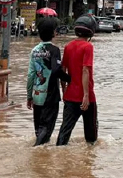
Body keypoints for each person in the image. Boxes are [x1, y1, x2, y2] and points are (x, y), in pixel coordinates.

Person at [56, 15, 98, 146]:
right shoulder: (88, 47)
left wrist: (64, 90)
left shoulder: (68, 46)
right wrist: (86, 95)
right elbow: (85, 70)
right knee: (91, 136)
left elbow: (63, 69)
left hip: (70, 95)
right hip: (87, 96)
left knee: (64, 131)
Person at [27, 17, 65, 146]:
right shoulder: (54, 50)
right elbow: (56, 70)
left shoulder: (34, 51)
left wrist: (29, 96)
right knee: (47, 128)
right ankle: (36, 150)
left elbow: (31, 75)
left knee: (39, 128)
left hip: (37, 94)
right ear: (53, 33)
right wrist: (69, 79)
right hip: (51, 95)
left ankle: (39, 157)